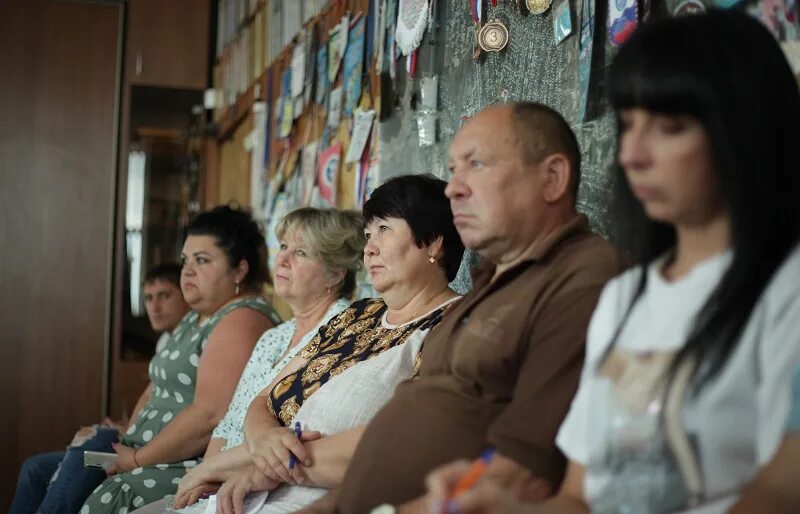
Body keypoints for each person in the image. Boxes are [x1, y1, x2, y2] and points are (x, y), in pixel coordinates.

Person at [425, 10, 800, 514]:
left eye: (670, 127)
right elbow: (582, 495)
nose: (631, 155)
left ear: (747, 129)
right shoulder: (628, 297)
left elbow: (781, 491)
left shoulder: (786, 286)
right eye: (627, 126)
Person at [300, 102, 622, 514]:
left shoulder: (584, 278)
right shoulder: (490, 282)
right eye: (454, 169)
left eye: (477, 164)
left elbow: (525, 469)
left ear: (552, 178)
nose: (454, 188)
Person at [139, 174, 466, 514]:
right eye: (368, 234)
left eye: (384, 229)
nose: (369, 247)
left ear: (433, 242)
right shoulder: (358, 315)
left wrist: (264, 466)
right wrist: (261, 440)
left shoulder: (452, 324)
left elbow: (405, 443)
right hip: (254, 488)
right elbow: (265, 397)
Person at [135, 207, 365, 511]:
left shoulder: (346, 328)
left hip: (270, 489)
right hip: (220, 479)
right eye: (283, 247)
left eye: (301, 253)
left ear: (335, 273)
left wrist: (211, 473)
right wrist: (206, 476)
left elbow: (303, 435)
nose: (282, 259)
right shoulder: (274, 336)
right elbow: (229, 424)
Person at [80, 205, 281, 514]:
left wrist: (135, 460)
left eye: (202, 261)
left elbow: (208, 417)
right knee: (51, 467)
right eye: (186, 260)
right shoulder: (197, 316)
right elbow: (155, 387)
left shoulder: (243, 317)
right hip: (142, 451)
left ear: (239, 270)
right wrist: (129, 438)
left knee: (106, 492)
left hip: (185, 463)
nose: (186, 271)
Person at [9, 264, 189, 514]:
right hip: (133, 438)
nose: (154, 307)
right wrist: (125, 426)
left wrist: (125, 433)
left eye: (165, 296)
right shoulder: (166, 342)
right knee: (34, 466)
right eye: (148, 298)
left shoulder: (192, 345)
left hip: (151, 450)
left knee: (97, 443)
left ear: (186, 294)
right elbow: (154, 397)